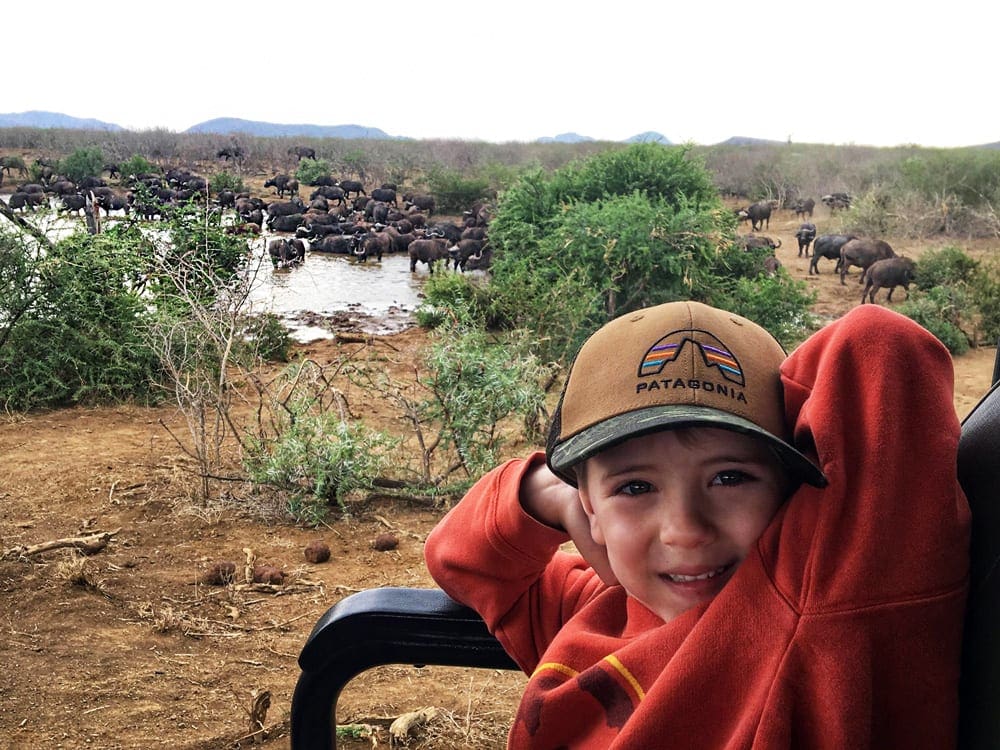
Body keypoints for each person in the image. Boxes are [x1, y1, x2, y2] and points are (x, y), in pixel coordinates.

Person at [424, 300, 970, 749]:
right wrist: (551, 494)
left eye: (730, 478)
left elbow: (881, 345)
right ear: (589, 506)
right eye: (635, 487)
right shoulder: (594, 606)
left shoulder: (812, 611)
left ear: (789, 487)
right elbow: (457, 556)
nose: (684, 531)